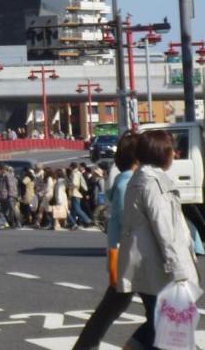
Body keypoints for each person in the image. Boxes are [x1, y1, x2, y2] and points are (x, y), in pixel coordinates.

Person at [116, 130, 200, 350]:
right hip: (160, 269)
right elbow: (165, 230)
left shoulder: (140, 178)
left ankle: (134, 346)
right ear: (162, 152)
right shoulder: (154, 184)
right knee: (170, 327)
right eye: (172, 149)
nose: (175, 154)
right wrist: (178, 270)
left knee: (160, 322)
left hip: (146, 266)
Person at [72, 131, 138, 350]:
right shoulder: (127, 184)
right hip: (129, 255)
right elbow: (129, 224)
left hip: (124, 254)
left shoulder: (124, 181)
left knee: (112, 307)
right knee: (163, 310)